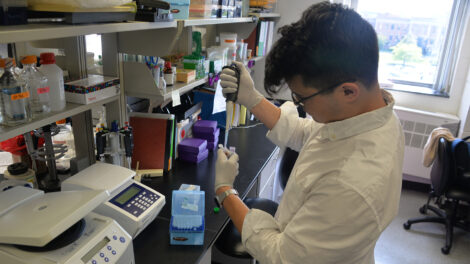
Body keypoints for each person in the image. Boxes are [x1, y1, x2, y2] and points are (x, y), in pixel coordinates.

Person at [214, 2, 405, 264]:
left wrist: (225, 191)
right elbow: (309, 132)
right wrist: (252, 98)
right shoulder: (372, 114)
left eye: (300, 97)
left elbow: (281, 255)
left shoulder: (352, 185)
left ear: (348, 91)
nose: (299, 105)